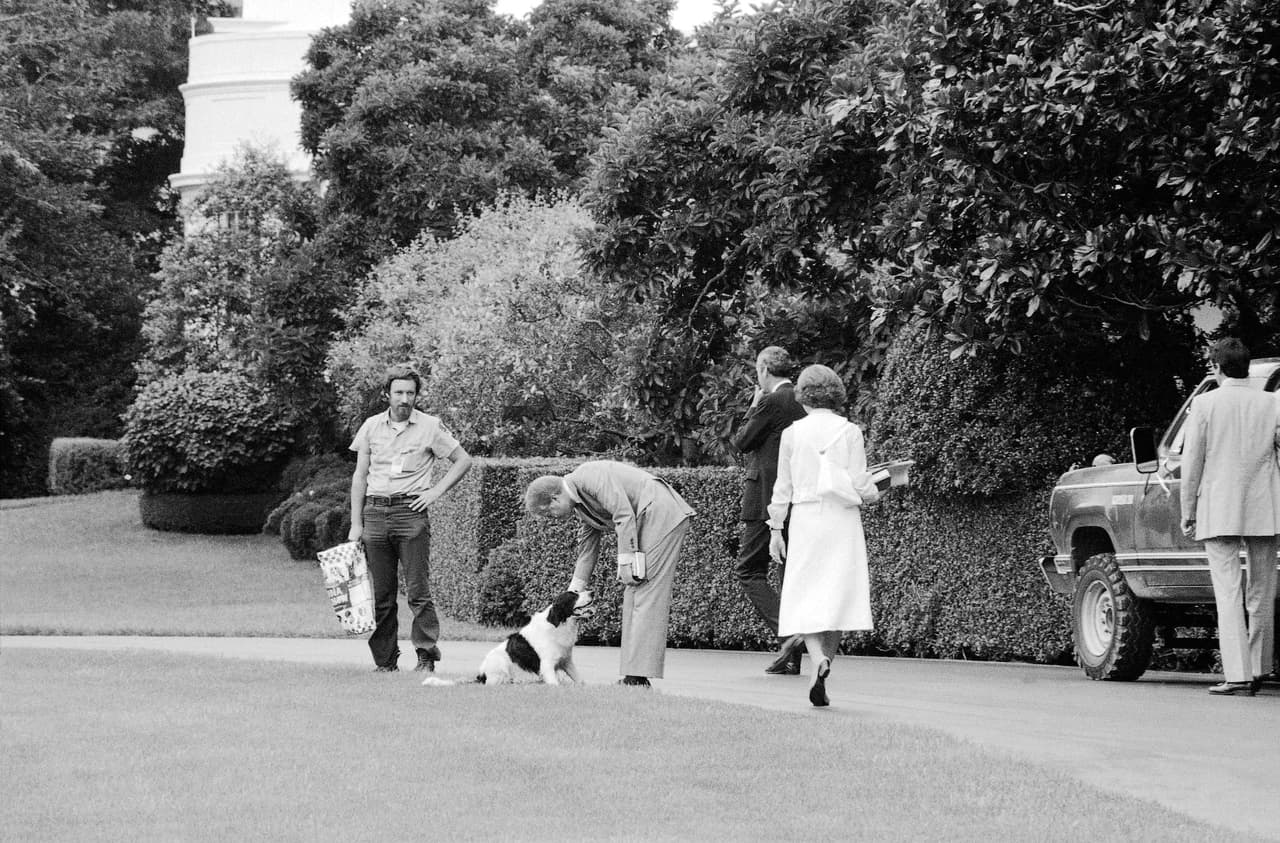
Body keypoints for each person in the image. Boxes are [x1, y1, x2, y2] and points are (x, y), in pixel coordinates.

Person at [348, 363, 474, 673]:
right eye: (399, 393)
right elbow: (359, 476)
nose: (404, 398)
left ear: (416, 396)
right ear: (386, 395)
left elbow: (463, 460)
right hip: (375, 514)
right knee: (382, 594)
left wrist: (434, 492)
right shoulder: (370, 427)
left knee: (418, 591)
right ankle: (385, 661)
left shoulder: (431, 426)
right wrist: (356, 524)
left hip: (410, 513)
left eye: (410, 393)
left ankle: (426, 656)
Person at [767, 364, 880, 707]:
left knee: (804, 597)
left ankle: (819, 661)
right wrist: (879, 488)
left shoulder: (793, 433)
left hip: (805, 519)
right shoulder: (850, 431)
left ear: (803, 395)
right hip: (842, 519)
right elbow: (861, 484)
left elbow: (782, 486)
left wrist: (775, 528)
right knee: (837, 596)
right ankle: (824, 664)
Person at [524, 461, 695, 687]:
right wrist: (572, 595)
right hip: (646, 519)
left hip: (661, 514)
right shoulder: (581, 506)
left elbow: (623, 514)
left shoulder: (589, 476)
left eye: (549, 514)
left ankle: (637, 679)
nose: (552, 519)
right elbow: (587, 551)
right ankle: (634, 677)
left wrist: (626, 562)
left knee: (646, 591)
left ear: (555, 498)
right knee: (634, 591)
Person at [1180, 338, 1280, 696]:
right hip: (1265, 506)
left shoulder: (1205, 403)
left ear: (1217, 367)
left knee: (1228, 590)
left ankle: (1236, 674)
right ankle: (1258, 667)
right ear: (1247, 367)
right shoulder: (1273, 403)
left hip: (1219, 506)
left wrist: (1187, 509)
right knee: (1262, 590)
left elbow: (1193, 461)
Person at [731, 346, 808, 675]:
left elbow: (742, 442)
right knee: (788, 575)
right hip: (796, 498)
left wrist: (751, 407)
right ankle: (791, 660)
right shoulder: (805, 399)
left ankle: (790, 633)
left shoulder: (770, 400)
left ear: (764, 370)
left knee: (749, 570)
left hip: (765, 498)